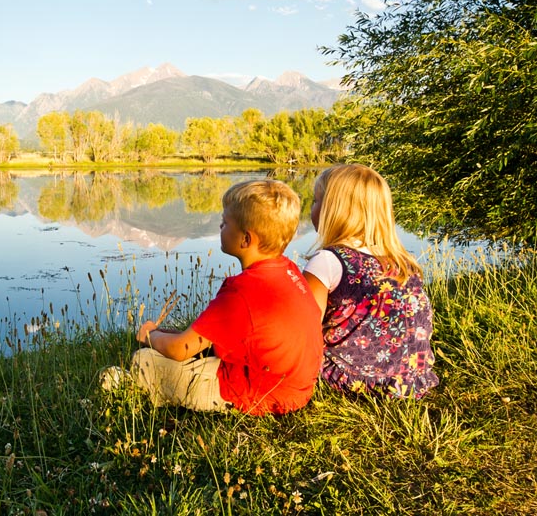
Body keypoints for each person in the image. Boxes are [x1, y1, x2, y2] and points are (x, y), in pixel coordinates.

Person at [102, 179, 323, 415]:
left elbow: (180, 349)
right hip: (298, 390)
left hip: (260, 395)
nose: (220, 227)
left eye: (225, 222)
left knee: (145, 360)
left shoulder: (242, 290)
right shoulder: (289, 271)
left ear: (246, 239)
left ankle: (127, 385)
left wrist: (150, 334)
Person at [303, 163, 439, 399]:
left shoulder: (328, 260)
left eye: (315, 201)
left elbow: (304, 331)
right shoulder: (402, 262)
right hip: (412, 379)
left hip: (355, 381)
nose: (310, 209)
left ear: (333, 210)